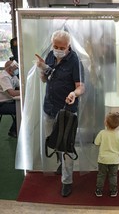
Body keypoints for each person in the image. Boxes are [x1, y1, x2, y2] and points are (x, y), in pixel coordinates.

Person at [35, 30, 85, 197]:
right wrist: (42, 69)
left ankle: (67, 181)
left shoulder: (74, 61)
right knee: (53, 141)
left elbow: (81, 87)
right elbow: (45, 79)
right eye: (55, 46)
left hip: (66, 111)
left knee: (67, 146)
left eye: (61, 47)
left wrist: (74, 94)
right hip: (49, 107)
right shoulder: (50, 55)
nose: (57, 49)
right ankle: (59, 163)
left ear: (68, 46)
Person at [94, 112, 119, 197]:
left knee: (101, 175)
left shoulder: (102, 133)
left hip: (103, 159)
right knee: (113, 175)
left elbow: (96, 143)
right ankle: (113, 191)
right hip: (114, 160)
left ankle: (99, 190)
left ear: (106, 123)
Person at [0, 60, 20, 138]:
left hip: (10, 101)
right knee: (21, 109)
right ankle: (13, 131)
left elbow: (20, 86)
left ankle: (16, 129)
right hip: (2, 104)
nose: (17, 70)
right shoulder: (4, 77)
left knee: (24, 107)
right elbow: (12, 93)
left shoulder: (13, 75)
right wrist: (24, 91)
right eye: (16, 69)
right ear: (9, 69)